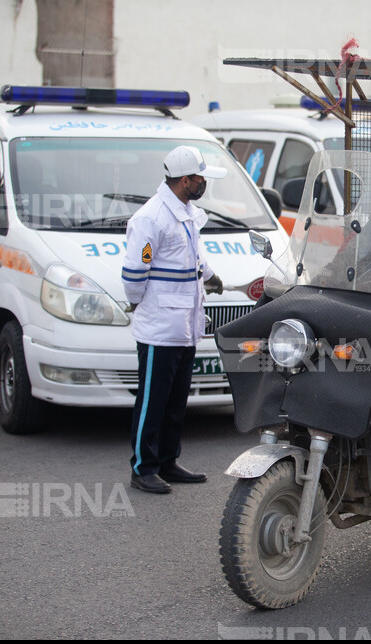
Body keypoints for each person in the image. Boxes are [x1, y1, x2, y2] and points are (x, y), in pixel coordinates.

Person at [121, 145, 224, 494]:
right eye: (200, 177)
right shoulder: (151, 218)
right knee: (153, 401)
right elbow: (134, 275)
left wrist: (211, 277)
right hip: (159, 328)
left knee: (176, 401)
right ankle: (143, 466)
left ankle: (167, 460)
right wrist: (141, 306)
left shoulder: (185, 212)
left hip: (184, 325)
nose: (204, 183)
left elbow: (194, 256)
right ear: (184, 180)